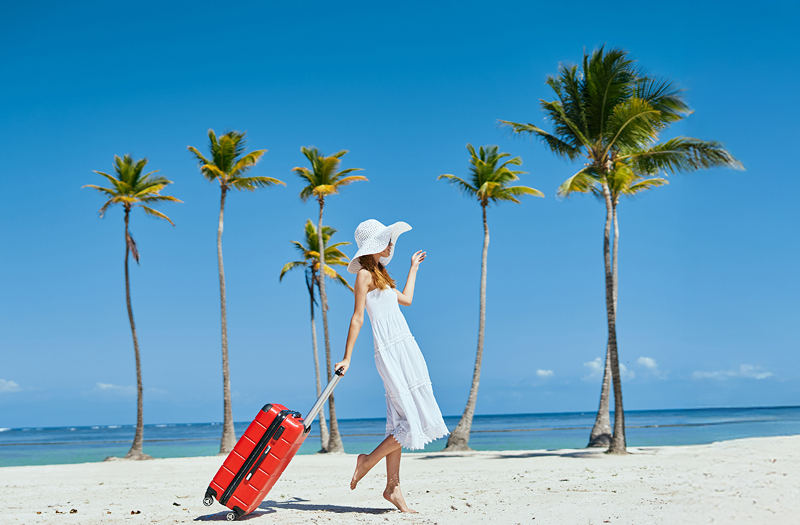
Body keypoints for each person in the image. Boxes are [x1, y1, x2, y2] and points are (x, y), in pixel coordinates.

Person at [334, 219, 449, 513]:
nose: (390, 245)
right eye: (385, 239)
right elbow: (357, 317)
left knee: (398, 421)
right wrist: (346, 357)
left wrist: (413, 268)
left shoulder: (381, 274)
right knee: (409, 420)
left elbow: (407, 300)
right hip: (388, 350)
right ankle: (367, 461)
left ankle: (393, 488)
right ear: (373, 245)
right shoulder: (362, 276)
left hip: (405, 346)